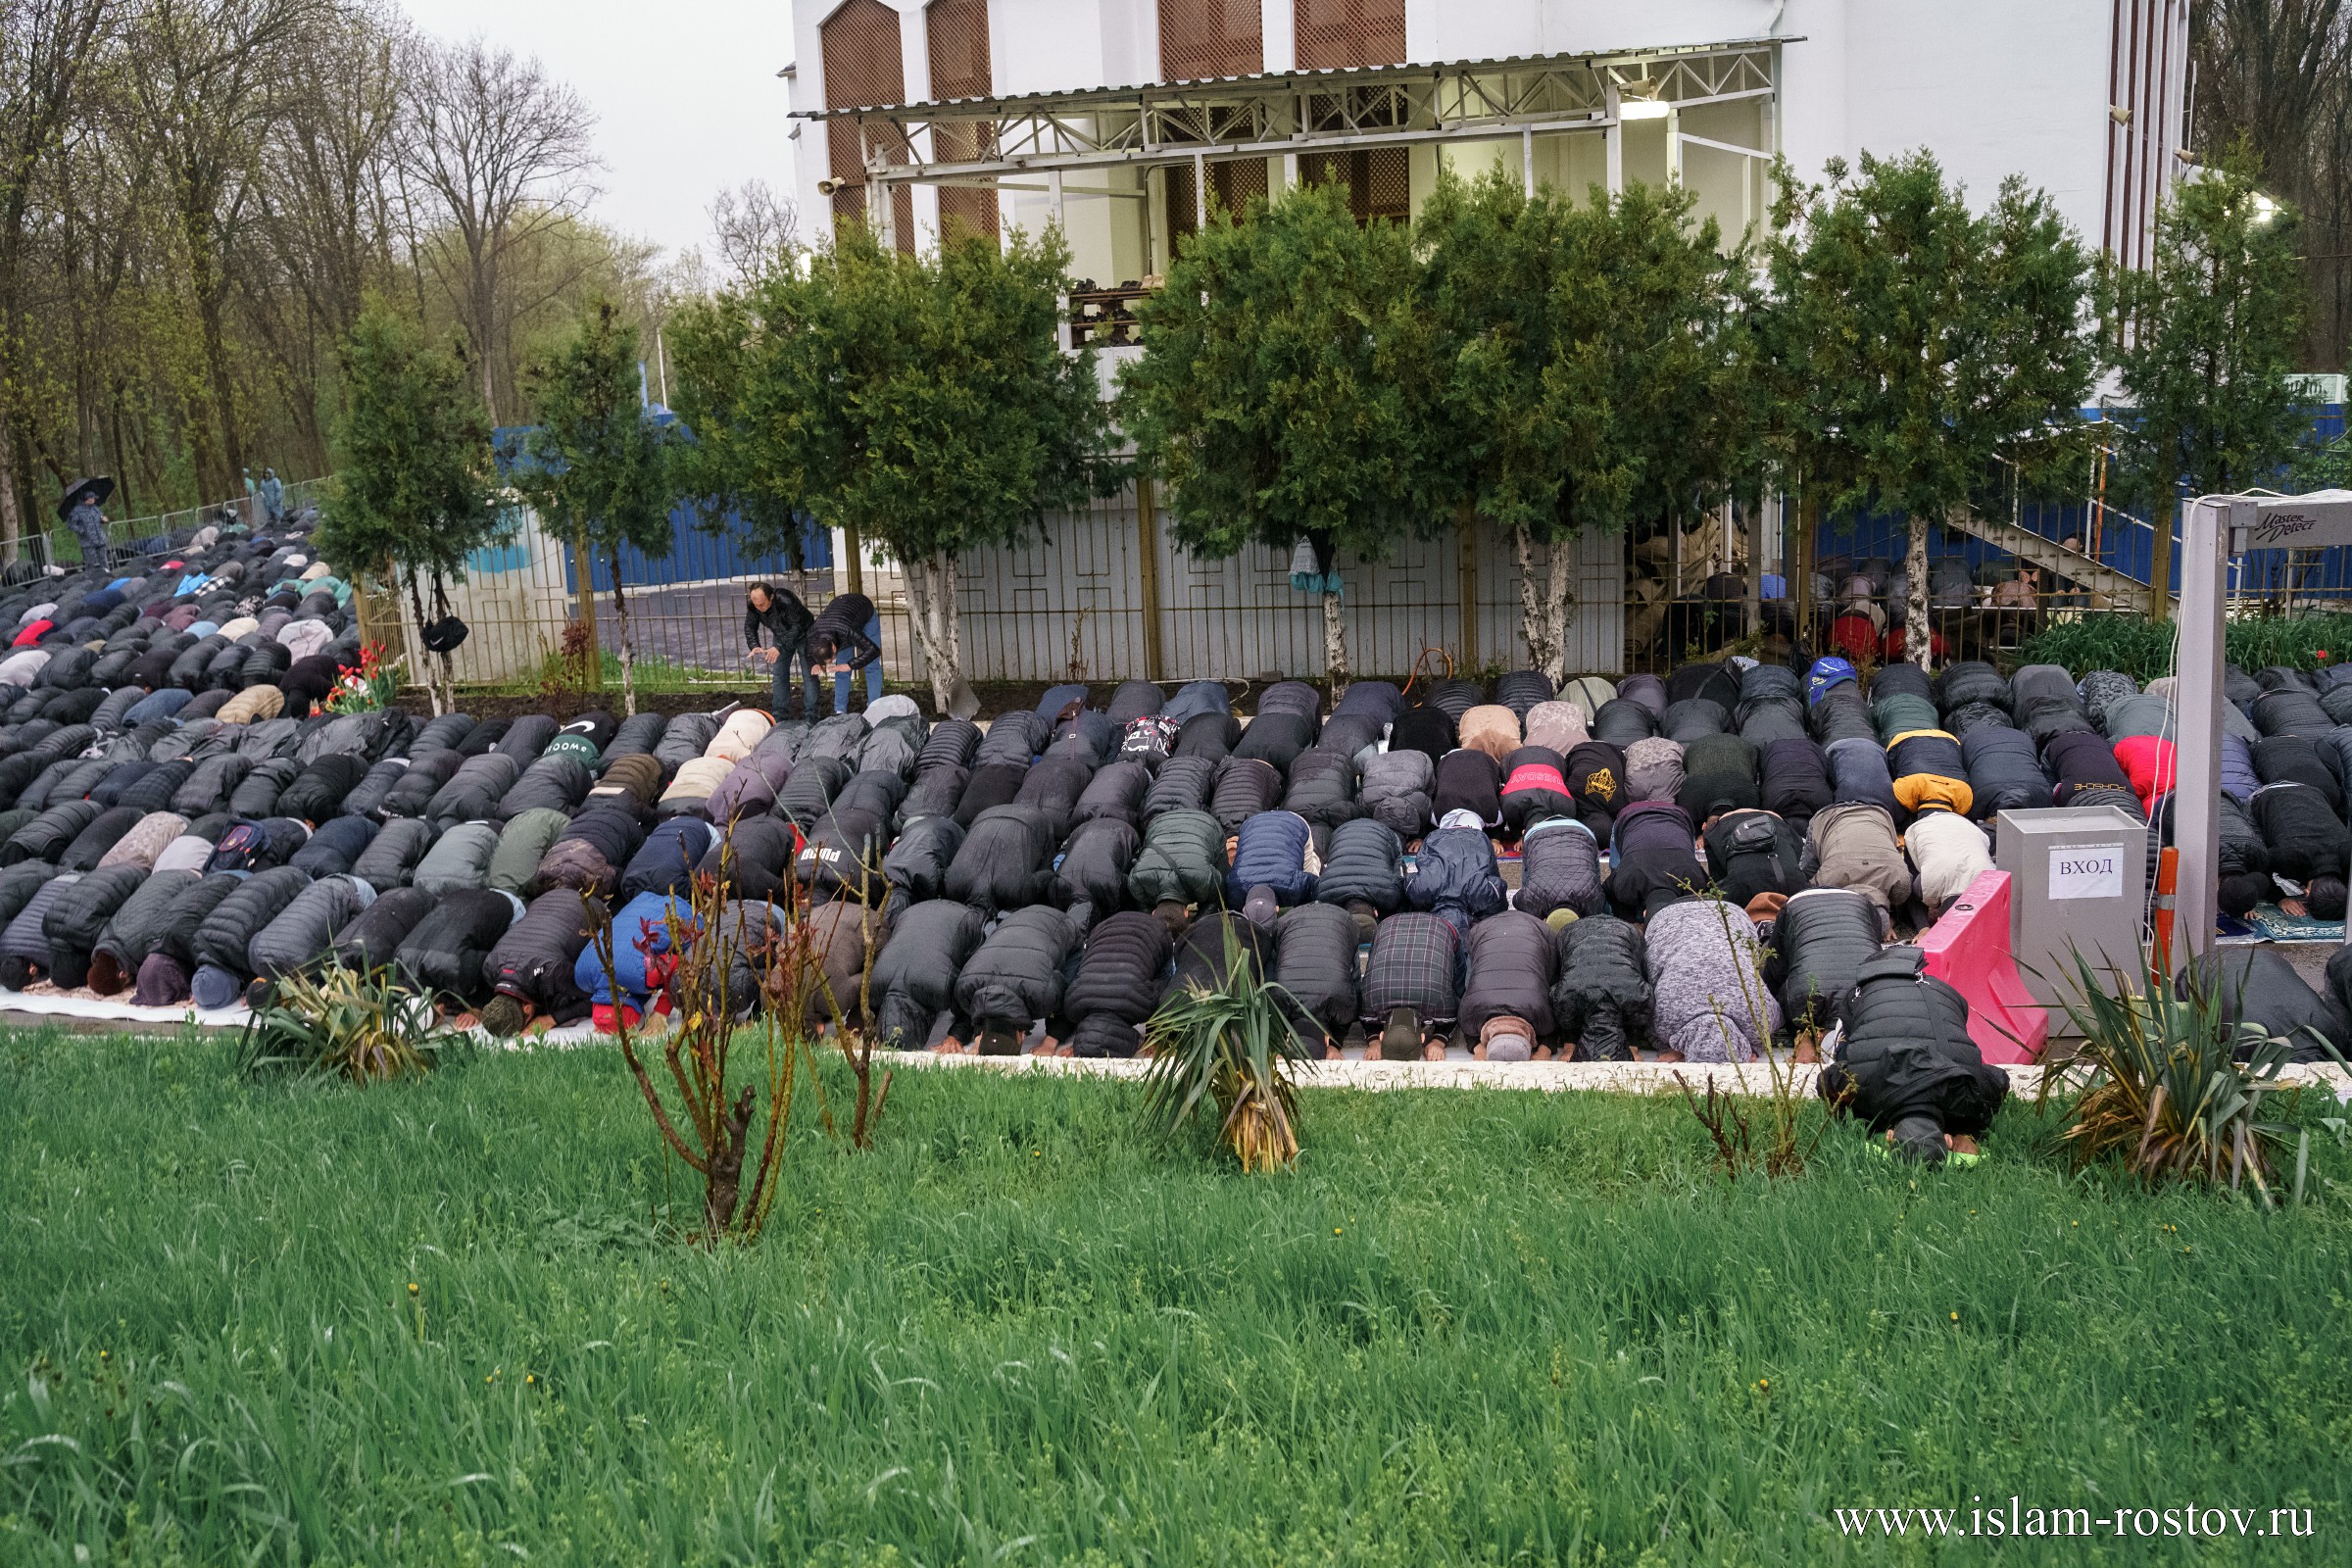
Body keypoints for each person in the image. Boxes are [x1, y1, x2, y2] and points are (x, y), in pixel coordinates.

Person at [806, 590, 884, 714]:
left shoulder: (846, 630)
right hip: (841, 622)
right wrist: (813, 664)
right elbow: (808, 652)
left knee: (872, 666)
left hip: (864, 611)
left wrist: (851, 665)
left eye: (831, 659)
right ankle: (839, 711)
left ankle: (873, 709)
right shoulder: (812, 634)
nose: (831, 663)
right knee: (840, 670)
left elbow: (873, 650)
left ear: (834, 648)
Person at [743, 580, 813, 717]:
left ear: (771, 597)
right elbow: (750, 626)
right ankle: (779, 715)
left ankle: (811, 715)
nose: (759, 608)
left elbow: (797, 626)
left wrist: (779, 647)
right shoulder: (753, 604)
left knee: (809, 675)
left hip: (805, 634)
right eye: (756, 605)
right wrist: (755, 645)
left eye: (762, 604)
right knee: (779, 675)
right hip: (781, 635)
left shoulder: (785, 600)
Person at [66, 487, 109, 570]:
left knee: (104, 561)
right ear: (87, 499)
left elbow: (101, 517)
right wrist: (81, 531)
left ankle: (108, 577)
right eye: (92, 498)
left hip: (100, 539)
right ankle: (90, 581)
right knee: (90, 564)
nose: (94, 500)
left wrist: (103, 520)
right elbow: (70, 524)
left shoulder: (95, 508)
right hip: (88, 542)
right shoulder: (77, 511)